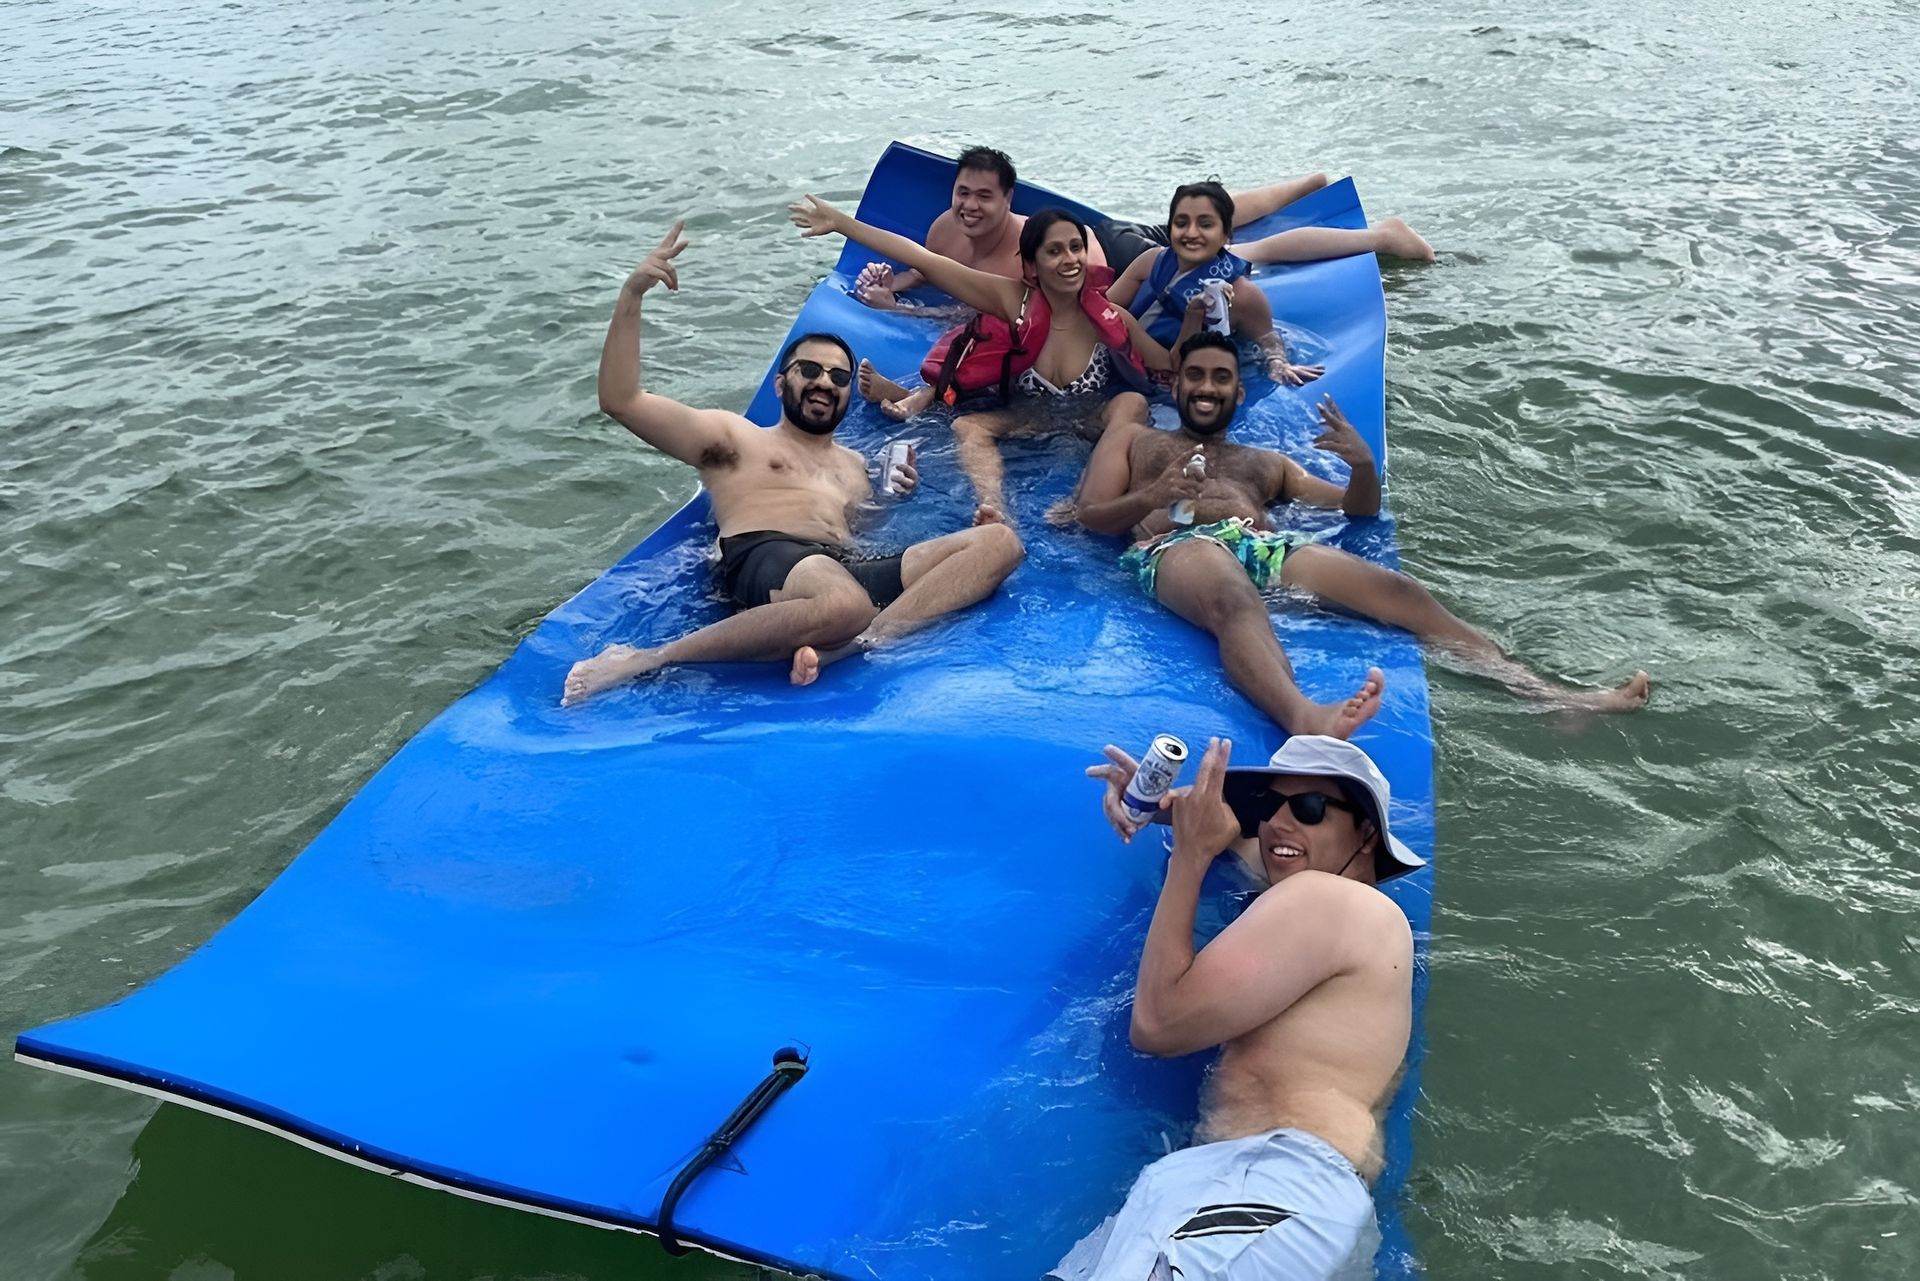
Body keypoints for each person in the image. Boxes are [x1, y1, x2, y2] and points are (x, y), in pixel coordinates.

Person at [1074, 334, 1652, 735]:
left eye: (1220, 377)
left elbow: (1354, 511)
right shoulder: (1135, 441)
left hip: (1265, 547)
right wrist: (1154, 498)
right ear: (1175, 387)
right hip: (1174, 545)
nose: (1206, 387)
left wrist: (1364, 467)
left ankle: (1553, 697)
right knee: (1229, 596)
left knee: (1400, 594)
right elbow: (1091, 515)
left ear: (1239, 391)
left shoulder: (1264, 462)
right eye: (1195, 376)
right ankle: (1304, 716)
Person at [560, 221, 1024, 704]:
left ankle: (856, 645)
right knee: (844, 601)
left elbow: (859, 535)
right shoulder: (734, 438)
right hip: (765, 554)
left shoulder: (854, 466)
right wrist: (633, 294)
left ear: (847, 395)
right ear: (781, 385)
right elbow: (622, 400)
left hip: (838, 566)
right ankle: (650, 657)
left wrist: (891, 495)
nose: (825, 381)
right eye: (810, 370)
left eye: (838, 376)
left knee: (999, 542)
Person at [1060, 733, 1424, 1279]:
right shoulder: (1353, 921)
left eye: (1308, 807)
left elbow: (1158, 1024)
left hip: (1274, 1184)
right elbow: (1250, 842)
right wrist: (1153, 804)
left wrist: (1190, 854)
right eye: (1267, 805)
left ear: (1367, 833)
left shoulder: (1331, 900)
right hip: (1266, 1197)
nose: (1279, 822)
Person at [791, 193, 1175, 524]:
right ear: (1031, 265)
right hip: (1030, 415)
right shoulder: (1014, 300)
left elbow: (1168, 365)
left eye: (1075, 248)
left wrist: (1196, 319)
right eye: (1054, 251)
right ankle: (993, 507)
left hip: (1092, 418)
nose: (1070, 259)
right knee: (967, 428)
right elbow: (925, 260)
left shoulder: (1108, 316)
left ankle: (1083, 499)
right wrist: (842, 223)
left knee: (1132, 403)